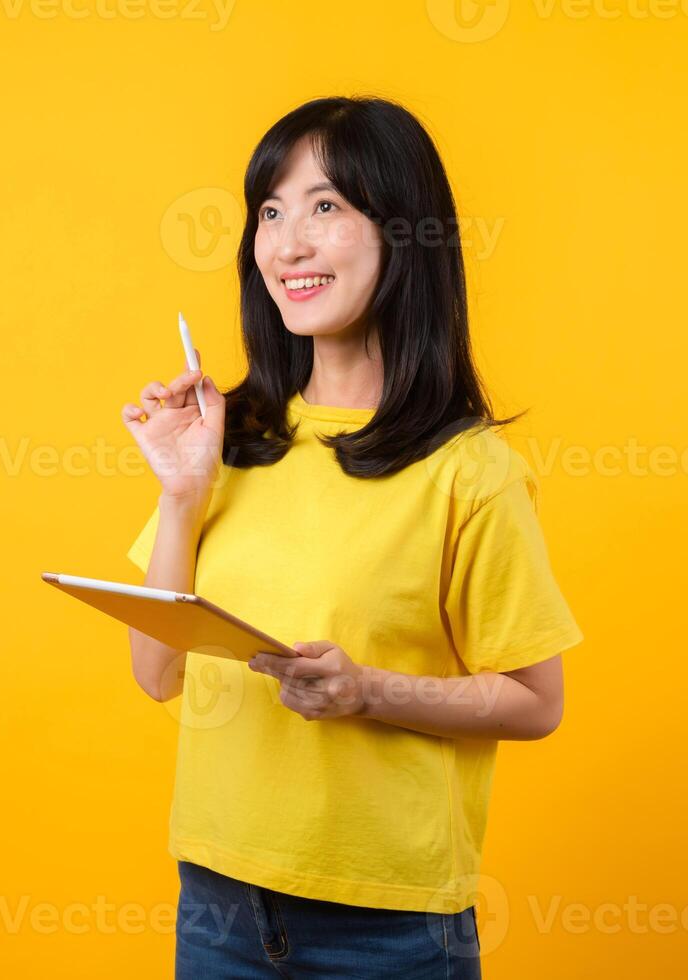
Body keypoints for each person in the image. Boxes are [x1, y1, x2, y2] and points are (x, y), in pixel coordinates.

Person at [120, 96, 583, 979]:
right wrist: (183, 494)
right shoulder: (237, 434)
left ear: (404, 235)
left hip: (387, 926)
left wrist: (367, 691)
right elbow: (157, 673)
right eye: (270, 211)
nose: (286, 244)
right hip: (218, 901)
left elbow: (538, 702)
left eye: (325, 206)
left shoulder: (468, 470)